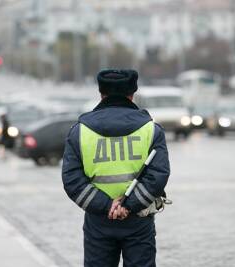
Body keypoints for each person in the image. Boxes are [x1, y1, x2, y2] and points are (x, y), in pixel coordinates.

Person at [62, 69, 170, 267]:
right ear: (132, 94)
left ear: (101, 93)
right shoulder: (151, 130)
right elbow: (158, 175)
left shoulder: (80, 131)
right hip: (139, 219)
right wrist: (128, 206)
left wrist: (106, 206)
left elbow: (72, 179)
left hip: (98, 220)